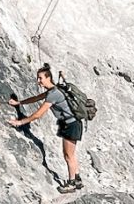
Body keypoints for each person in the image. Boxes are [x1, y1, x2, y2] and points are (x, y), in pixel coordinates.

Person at [7, 64, 83, 192]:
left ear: (48, 78)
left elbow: (38, 114)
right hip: (74, 123)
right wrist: (19, 103)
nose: (38, 81)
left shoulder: (53, 94)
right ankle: (77, 179)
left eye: (40, 78)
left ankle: (71, 184)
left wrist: (20, 122)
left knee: (68, 155)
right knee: (71, 154)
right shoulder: (54, 90)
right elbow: (36, 98)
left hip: (70, 125)